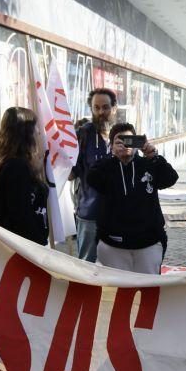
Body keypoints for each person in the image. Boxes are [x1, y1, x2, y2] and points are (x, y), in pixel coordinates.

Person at [86, 123, 178, 274]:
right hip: (112, 244)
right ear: (111, 145)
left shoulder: (148, 164)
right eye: (120, 141)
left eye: (130, 140)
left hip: (148, 243)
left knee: (148, 290)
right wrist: (112, 154)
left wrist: (154, 156)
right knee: (118, 292)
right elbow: (92, 178)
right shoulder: (106, 167)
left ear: (137, 143)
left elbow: (171, 178)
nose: (125, 145)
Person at [0, 107, 49, 245]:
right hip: (25, 248)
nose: (39, 132)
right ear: (26, 132)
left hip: (14, 244)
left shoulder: (6, 161)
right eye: (36, 128)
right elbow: (21, 215)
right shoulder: (17, 167)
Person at [70, 88, 117, 262]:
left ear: (114, 108)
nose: (100, 112)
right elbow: (70, 174)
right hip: (90, 215)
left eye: (105, 107)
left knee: (116, 265)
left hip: (118, 214)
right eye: (96, 108)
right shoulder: (83, 135)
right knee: (87, 265)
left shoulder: (123, 134)